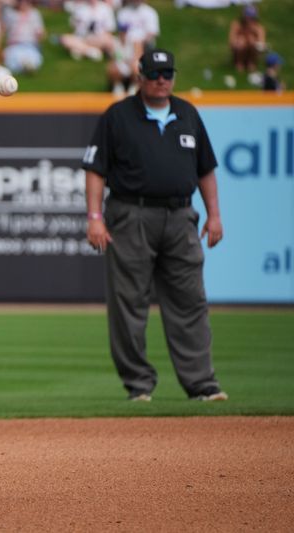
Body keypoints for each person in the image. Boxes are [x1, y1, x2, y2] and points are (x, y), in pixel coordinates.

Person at [82, 49, 228, 403]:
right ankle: (139, 386)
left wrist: (214, 214)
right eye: (154, 74)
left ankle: (202, 385)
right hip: (131, 214)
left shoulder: (187, 114)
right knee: (129, 302)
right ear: (141, 76)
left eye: (167, 73)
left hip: (180, 216)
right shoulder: (118, 116)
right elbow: (95, 170)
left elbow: (205, 169)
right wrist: (95, 218)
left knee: (190, 300)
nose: (162, 80)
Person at [0, 0, 46, 75]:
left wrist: (39, 36)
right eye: (21, 1)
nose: (24, 3)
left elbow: (41, 32)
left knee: (33, 58)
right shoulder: (10, 14)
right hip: (14, 45)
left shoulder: (34, 14)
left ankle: (27, 66)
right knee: (13, 58)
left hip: (30, 45)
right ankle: (23, 66)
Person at [106, 21, 142, 97]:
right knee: (112, 67)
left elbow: (138, 56)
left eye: (125, 31)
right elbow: (113, 58)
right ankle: (117, 86)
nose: (124, 33)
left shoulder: (134, 42)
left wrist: (130, 63)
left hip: (131, 65)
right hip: (120, 65)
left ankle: (133, 86)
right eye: (122, 31)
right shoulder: (114, 42)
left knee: (136, 66)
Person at [228, 4, 265, 74]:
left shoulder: (258, 28)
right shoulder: (237, 25)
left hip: (253, 51)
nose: (249, 20)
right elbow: (231, 41)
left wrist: (254, 41)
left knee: (252, 40)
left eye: (251, 17)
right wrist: (237, 43)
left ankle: (251, 62)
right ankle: (239, 62)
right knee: (241, 41)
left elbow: (261, 44)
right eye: (247, 17)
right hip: (238, 51)